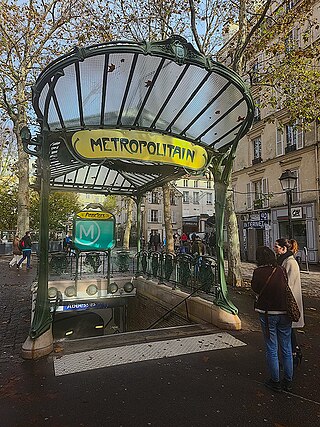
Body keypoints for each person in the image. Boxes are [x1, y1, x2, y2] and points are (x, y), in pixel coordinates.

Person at [251, 246, 293, 392]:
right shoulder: (281, 270)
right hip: (285, 311)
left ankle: (275, 380)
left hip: (268, 313)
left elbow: (255, 289)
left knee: (272, 347)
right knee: (286, 347)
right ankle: (288, 379)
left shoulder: (258, 272)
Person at [274, 238, 304, 367]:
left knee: (287, 329)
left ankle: (294, 353)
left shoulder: (290, 262)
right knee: (288, 329)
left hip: (289, 301)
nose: (274, 248)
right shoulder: (284, 260)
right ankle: (293, 353)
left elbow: (288, 284)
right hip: (286, 300)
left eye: (276, 246)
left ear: (284, 248)